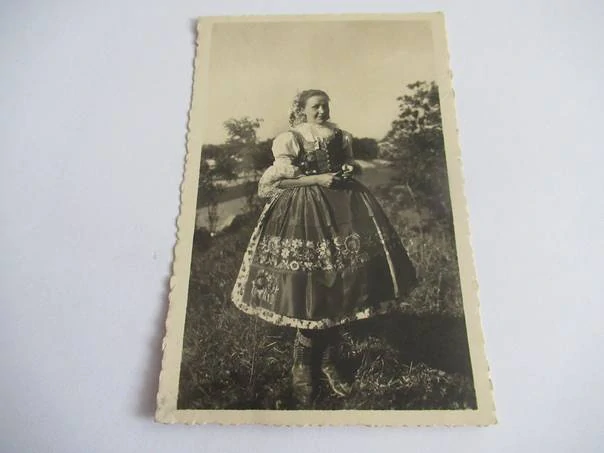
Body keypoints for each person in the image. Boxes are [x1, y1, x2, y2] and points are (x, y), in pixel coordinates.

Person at [231, 89, 417, 405]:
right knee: (311, 289)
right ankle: (302, 366)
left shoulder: (339, 136)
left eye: (325, 106)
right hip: (304, 213)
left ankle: (329, 361)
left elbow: (348, 163)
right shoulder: (290, 139)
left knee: (343, 285)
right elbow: (279, 182)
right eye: (316, 106)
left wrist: (346, 171)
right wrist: (317, 179)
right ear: (302, 110)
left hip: (345, 212)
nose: (322, 111)